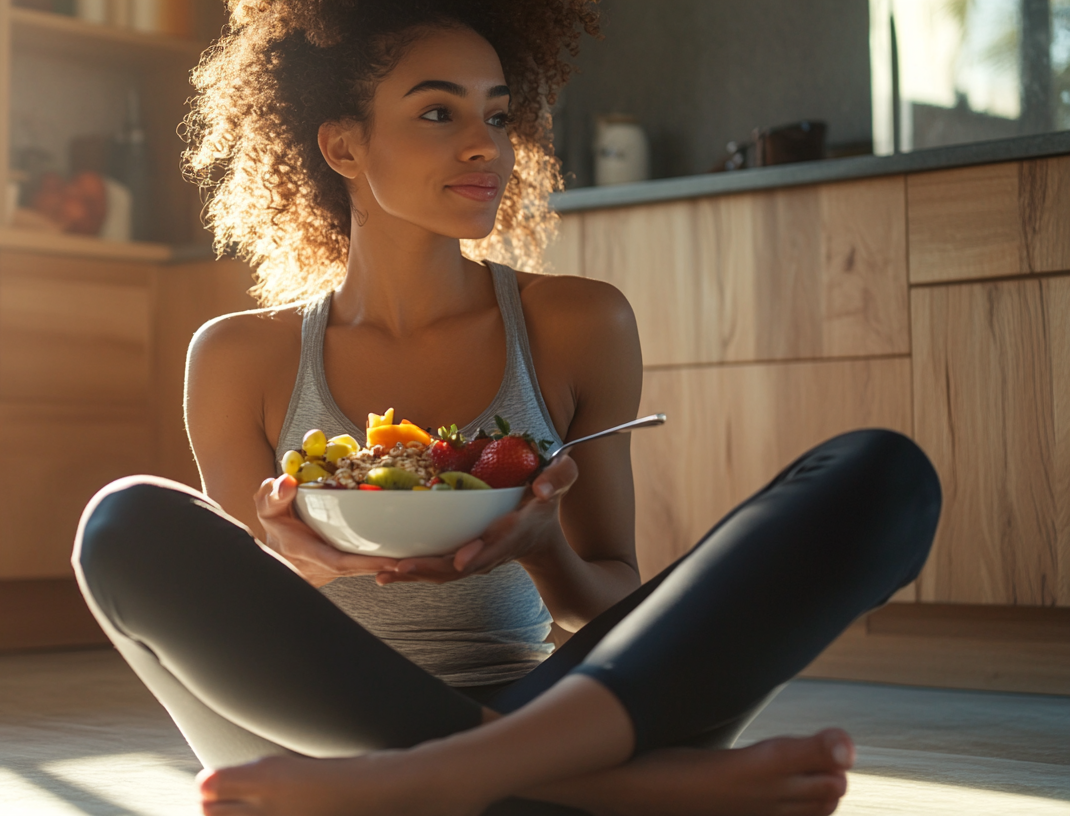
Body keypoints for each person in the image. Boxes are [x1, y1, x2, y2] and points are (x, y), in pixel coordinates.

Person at [71, 2, 943, 814]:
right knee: (121, 523)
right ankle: (606, 793)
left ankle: (440, 779)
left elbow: (608, 597)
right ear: (342, 146)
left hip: (539, 719)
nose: (487, 145)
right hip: (308, 737)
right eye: (439, 113)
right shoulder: (239, 355)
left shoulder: (575, 324)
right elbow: (242, 621)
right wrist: (303, 561)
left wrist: (545, 552)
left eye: (497, 113)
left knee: (884, 476)